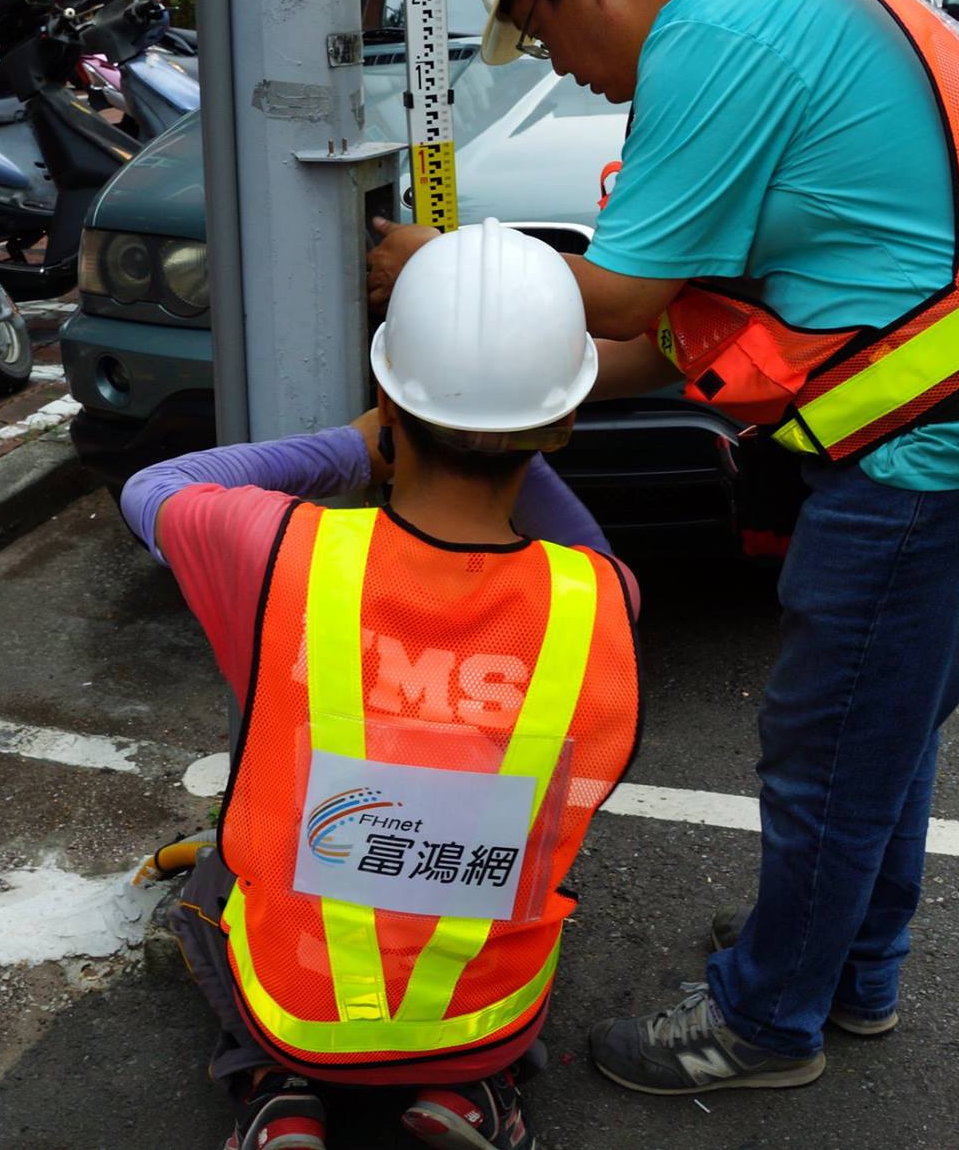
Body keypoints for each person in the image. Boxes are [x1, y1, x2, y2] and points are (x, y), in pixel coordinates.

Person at [370, 0, 959, 1098]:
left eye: (541, 34)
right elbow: (679, 340)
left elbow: (618, 300)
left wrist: (438, 273)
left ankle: (764, 1022)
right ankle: (845, 968)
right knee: (875, 720)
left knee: (832, 733)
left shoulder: (711, 40)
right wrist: (518, 393)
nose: (561, 70)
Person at [122, 220, 642, 1150]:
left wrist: (353, 446)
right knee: (520, 889)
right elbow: (590, 544)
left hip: (301, 1004)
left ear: (388, 400)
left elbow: (155, 487)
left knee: (214, 880)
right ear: (562, 423)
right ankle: (475, 1091)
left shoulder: (278, 551)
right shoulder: (602, 598)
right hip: (481, 1010)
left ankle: (275, 1094)